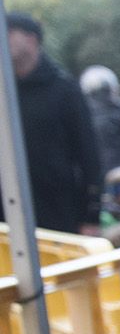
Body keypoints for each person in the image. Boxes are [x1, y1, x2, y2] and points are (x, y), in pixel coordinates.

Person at [6, 12, 101, 235]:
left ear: (31, 39)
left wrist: (92, 215)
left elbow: (88, 155)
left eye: (7, 33)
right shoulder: (3, 90)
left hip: (58, 213)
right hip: (7, 215)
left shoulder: (64, 89)